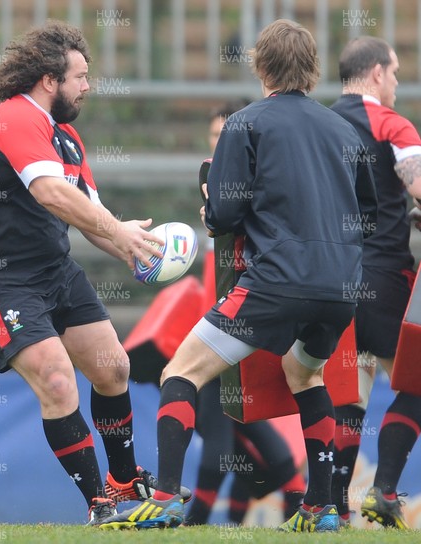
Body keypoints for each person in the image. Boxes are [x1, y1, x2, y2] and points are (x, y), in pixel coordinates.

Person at [100, 18, 377, 532]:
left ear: (260, 66)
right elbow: (369, 215)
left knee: (179, 372)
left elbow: (224, 216)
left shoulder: (245, 123)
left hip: (274, 282)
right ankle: (320, 508)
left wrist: (210, 209)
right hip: (342, 289)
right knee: (306, 374)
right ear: (313, 70)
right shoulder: (344, 129)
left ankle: (163, 498)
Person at [0, 20, 189, 525]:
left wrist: (129, 245)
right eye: (80, 76)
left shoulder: (68, 139)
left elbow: (88, 213)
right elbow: (51, 195)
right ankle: (98, 506)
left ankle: (124, 480)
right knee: (59, 381)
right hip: (0, 282)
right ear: (48, 79)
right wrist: (117, 232)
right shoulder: (16, 116)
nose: (88, 85)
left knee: (114, 368)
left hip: (54, 271)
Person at [186, 104, 306, 526]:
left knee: (259, 452)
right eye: (214, 136)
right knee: (237, 447)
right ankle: (216, 523)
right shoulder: (211, 192)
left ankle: (198, 523)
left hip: (248, 324)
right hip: (215, 331)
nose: (219, 144)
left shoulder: (258, 194)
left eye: (226, 136)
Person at [329, 36, 421, 529]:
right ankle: (384, 491)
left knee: (350, 390)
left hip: (329, 280)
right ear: (376, 73)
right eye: (397, 72)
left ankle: (334, 505)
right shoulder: (391, 124)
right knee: (416, 385)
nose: (398, 83)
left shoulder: (318, 123)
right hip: (385, 275)